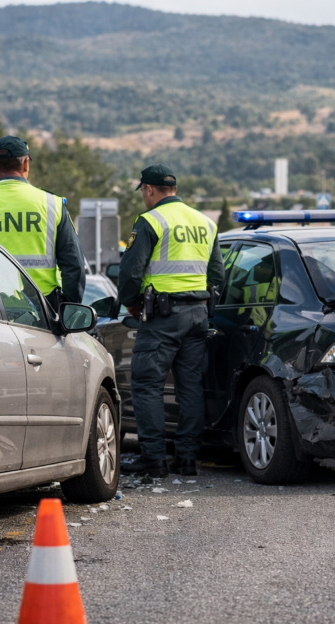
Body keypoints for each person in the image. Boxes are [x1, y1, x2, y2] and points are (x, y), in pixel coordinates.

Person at [118, 164, 225, 478]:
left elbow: (130, 274)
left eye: (142, 192)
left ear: (148, 190)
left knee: (147, 384)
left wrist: (134, 304)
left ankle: (153, 458)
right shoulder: (206, 222)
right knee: (190, 387)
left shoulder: (150, 221)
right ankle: (187, 459)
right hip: (198, 315)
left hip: (163, 316)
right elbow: (218, 275)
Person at [0, 135, 85, 310]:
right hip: (43, 307)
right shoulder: (51, 204)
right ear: (25, 163)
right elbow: (73, 264)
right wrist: (69, 309)